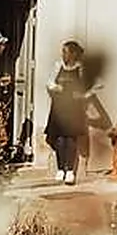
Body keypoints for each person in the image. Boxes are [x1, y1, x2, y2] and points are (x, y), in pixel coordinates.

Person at [44, 40, 89, 184]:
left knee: (70, 139)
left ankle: (70, 171)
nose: (63, 54)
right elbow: (49, 82)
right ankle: (60, 168)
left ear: (73, 54)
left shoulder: (80, 68)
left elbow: (86, 86)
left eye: (66, 52)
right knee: (59, 138)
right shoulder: (58, 65)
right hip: (59, 105)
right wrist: (56, 87)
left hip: (74, 107)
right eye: (62, 51)